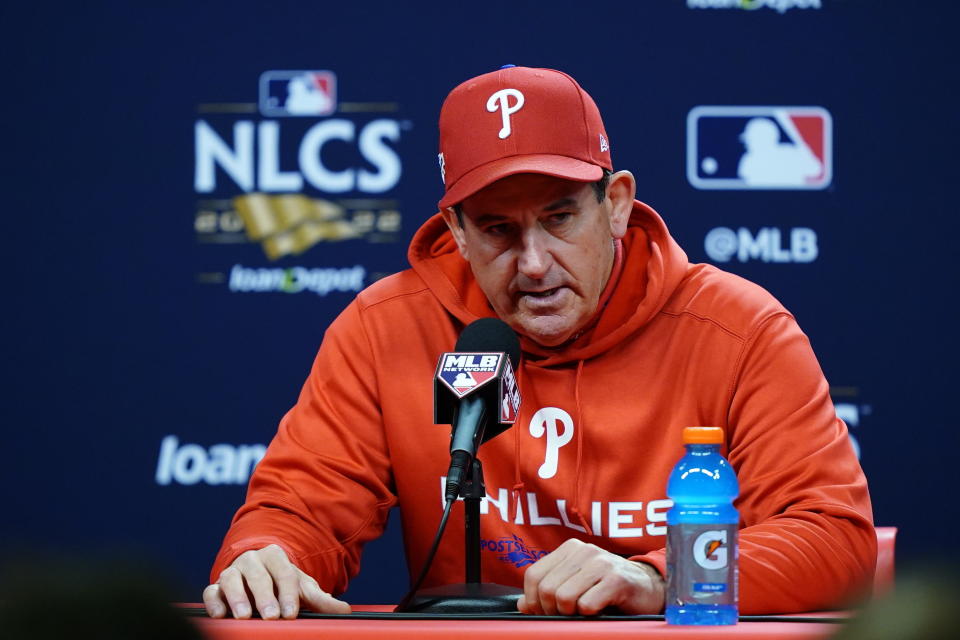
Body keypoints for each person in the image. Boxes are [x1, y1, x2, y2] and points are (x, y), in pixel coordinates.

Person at [203, 66, 875, 620]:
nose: (532, 263)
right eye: (498, 230)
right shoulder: (385, 327)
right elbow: (299, 509)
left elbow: (834, 541)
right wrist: (267, 555)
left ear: (615, 203)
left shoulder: (738, 329)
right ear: (457, 232)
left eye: (559, 218)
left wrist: (657, 577)